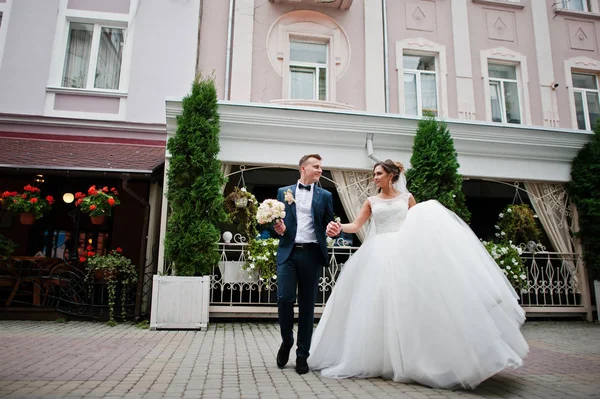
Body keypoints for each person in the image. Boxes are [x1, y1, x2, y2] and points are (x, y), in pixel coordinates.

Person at [309, 159, 529, 389]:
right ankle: (381, 357)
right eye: (374, 174)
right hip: (377, 254)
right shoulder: (371, 201)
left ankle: (417, 357)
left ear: (391, 176)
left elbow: (418, 225)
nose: (374, 177)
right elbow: (356, 225)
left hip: (405, 253)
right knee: (378, 305)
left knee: (409, 305)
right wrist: (338, 227)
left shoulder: (408, 199)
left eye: (378, 173)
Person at [273, 154, 336, 374]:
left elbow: (330, 222)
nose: (320, 170)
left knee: (308, 307)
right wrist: (277, 227)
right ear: (303, 168)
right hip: (288, 253)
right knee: (284, 299)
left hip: (311, 254)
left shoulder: (325, 195)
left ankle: (302, 356)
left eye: (321, 167)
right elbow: (277, 220)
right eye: (316, 166)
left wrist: (333, 230)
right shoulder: (284, 192)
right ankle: (287, 341)